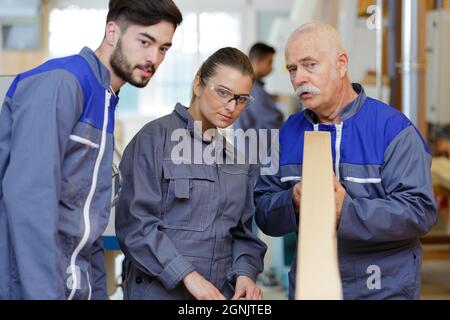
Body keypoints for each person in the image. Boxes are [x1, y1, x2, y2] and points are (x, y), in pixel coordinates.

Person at [0, 0, 182, 300]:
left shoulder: (105, 98)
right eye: (145, 41)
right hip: (28, 287)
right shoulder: (63, 82)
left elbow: (90, 215)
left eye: (163, 48)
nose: (154, 57)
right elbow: (30, 202)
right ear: (113, 31)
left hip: (71, 285)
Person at [254, 22, 437, 300]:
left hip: (383, 287)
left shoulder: (393, 130)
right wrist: (291, 201)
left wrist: (345, 210)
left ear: (341, 65)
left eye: (309, 65)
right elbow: (263, 210)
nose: (299, 78)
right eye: (292, 69)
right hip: (311, 286)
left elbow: (420, 212)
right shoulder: (287, 134)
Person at [115, 47, 267, 300]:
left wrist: (245, 274)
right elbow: (136, 226)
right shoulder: (154, 140)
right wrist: (189, 276)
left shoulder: (238, 162)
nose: (231, 107)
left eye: (241, 99)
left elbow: (242, 234)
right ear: (198, 84)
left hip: (219, 294)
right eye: (223, 93)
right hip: (160, 292)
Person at [233, 42, 284, 138]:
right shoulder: (253, 89)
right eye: (269, 62)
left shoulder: (246, 85)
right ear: (256, 61)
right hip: (253, 149)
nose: (272, 67)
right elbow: (273, 120)